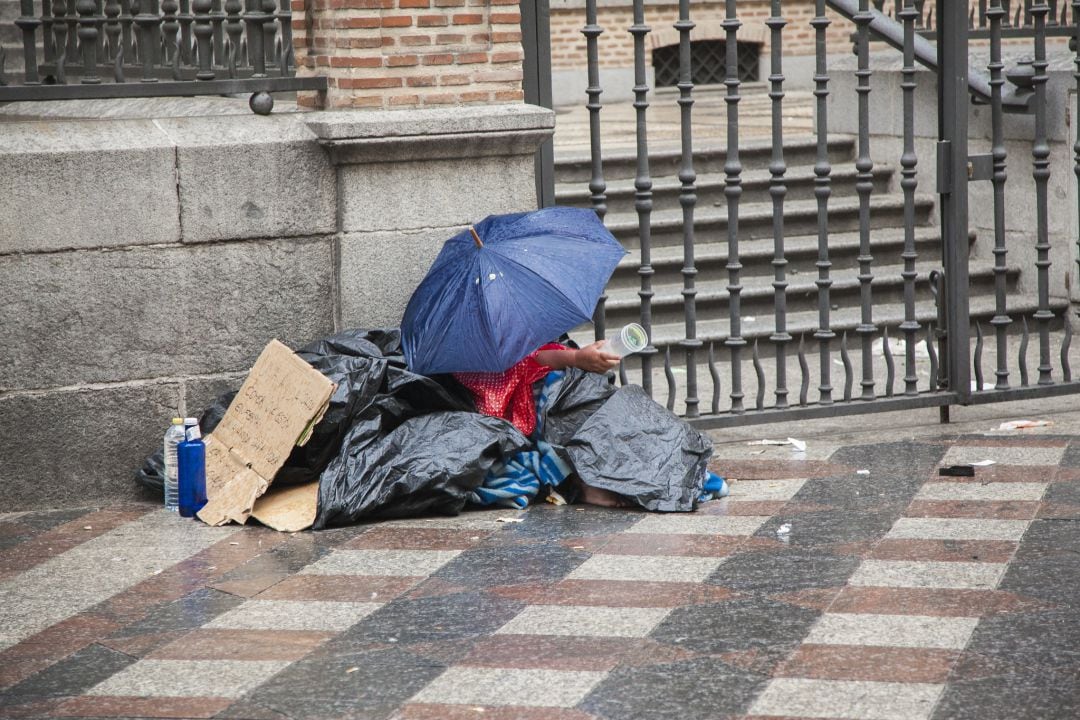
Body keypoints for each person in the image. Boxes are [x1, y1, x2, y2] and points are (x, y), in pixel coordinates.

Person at [453, 340, 630, 507]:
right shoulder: (459, 353)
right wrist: (577, 358)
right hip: (486, 426)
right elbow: (532, 358)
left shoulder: (508, 341)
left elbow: (533, 358)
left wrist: (578, 358)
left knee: (563, 387)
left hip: (525, 412)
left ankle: (580, 476)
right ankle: (574, 481)